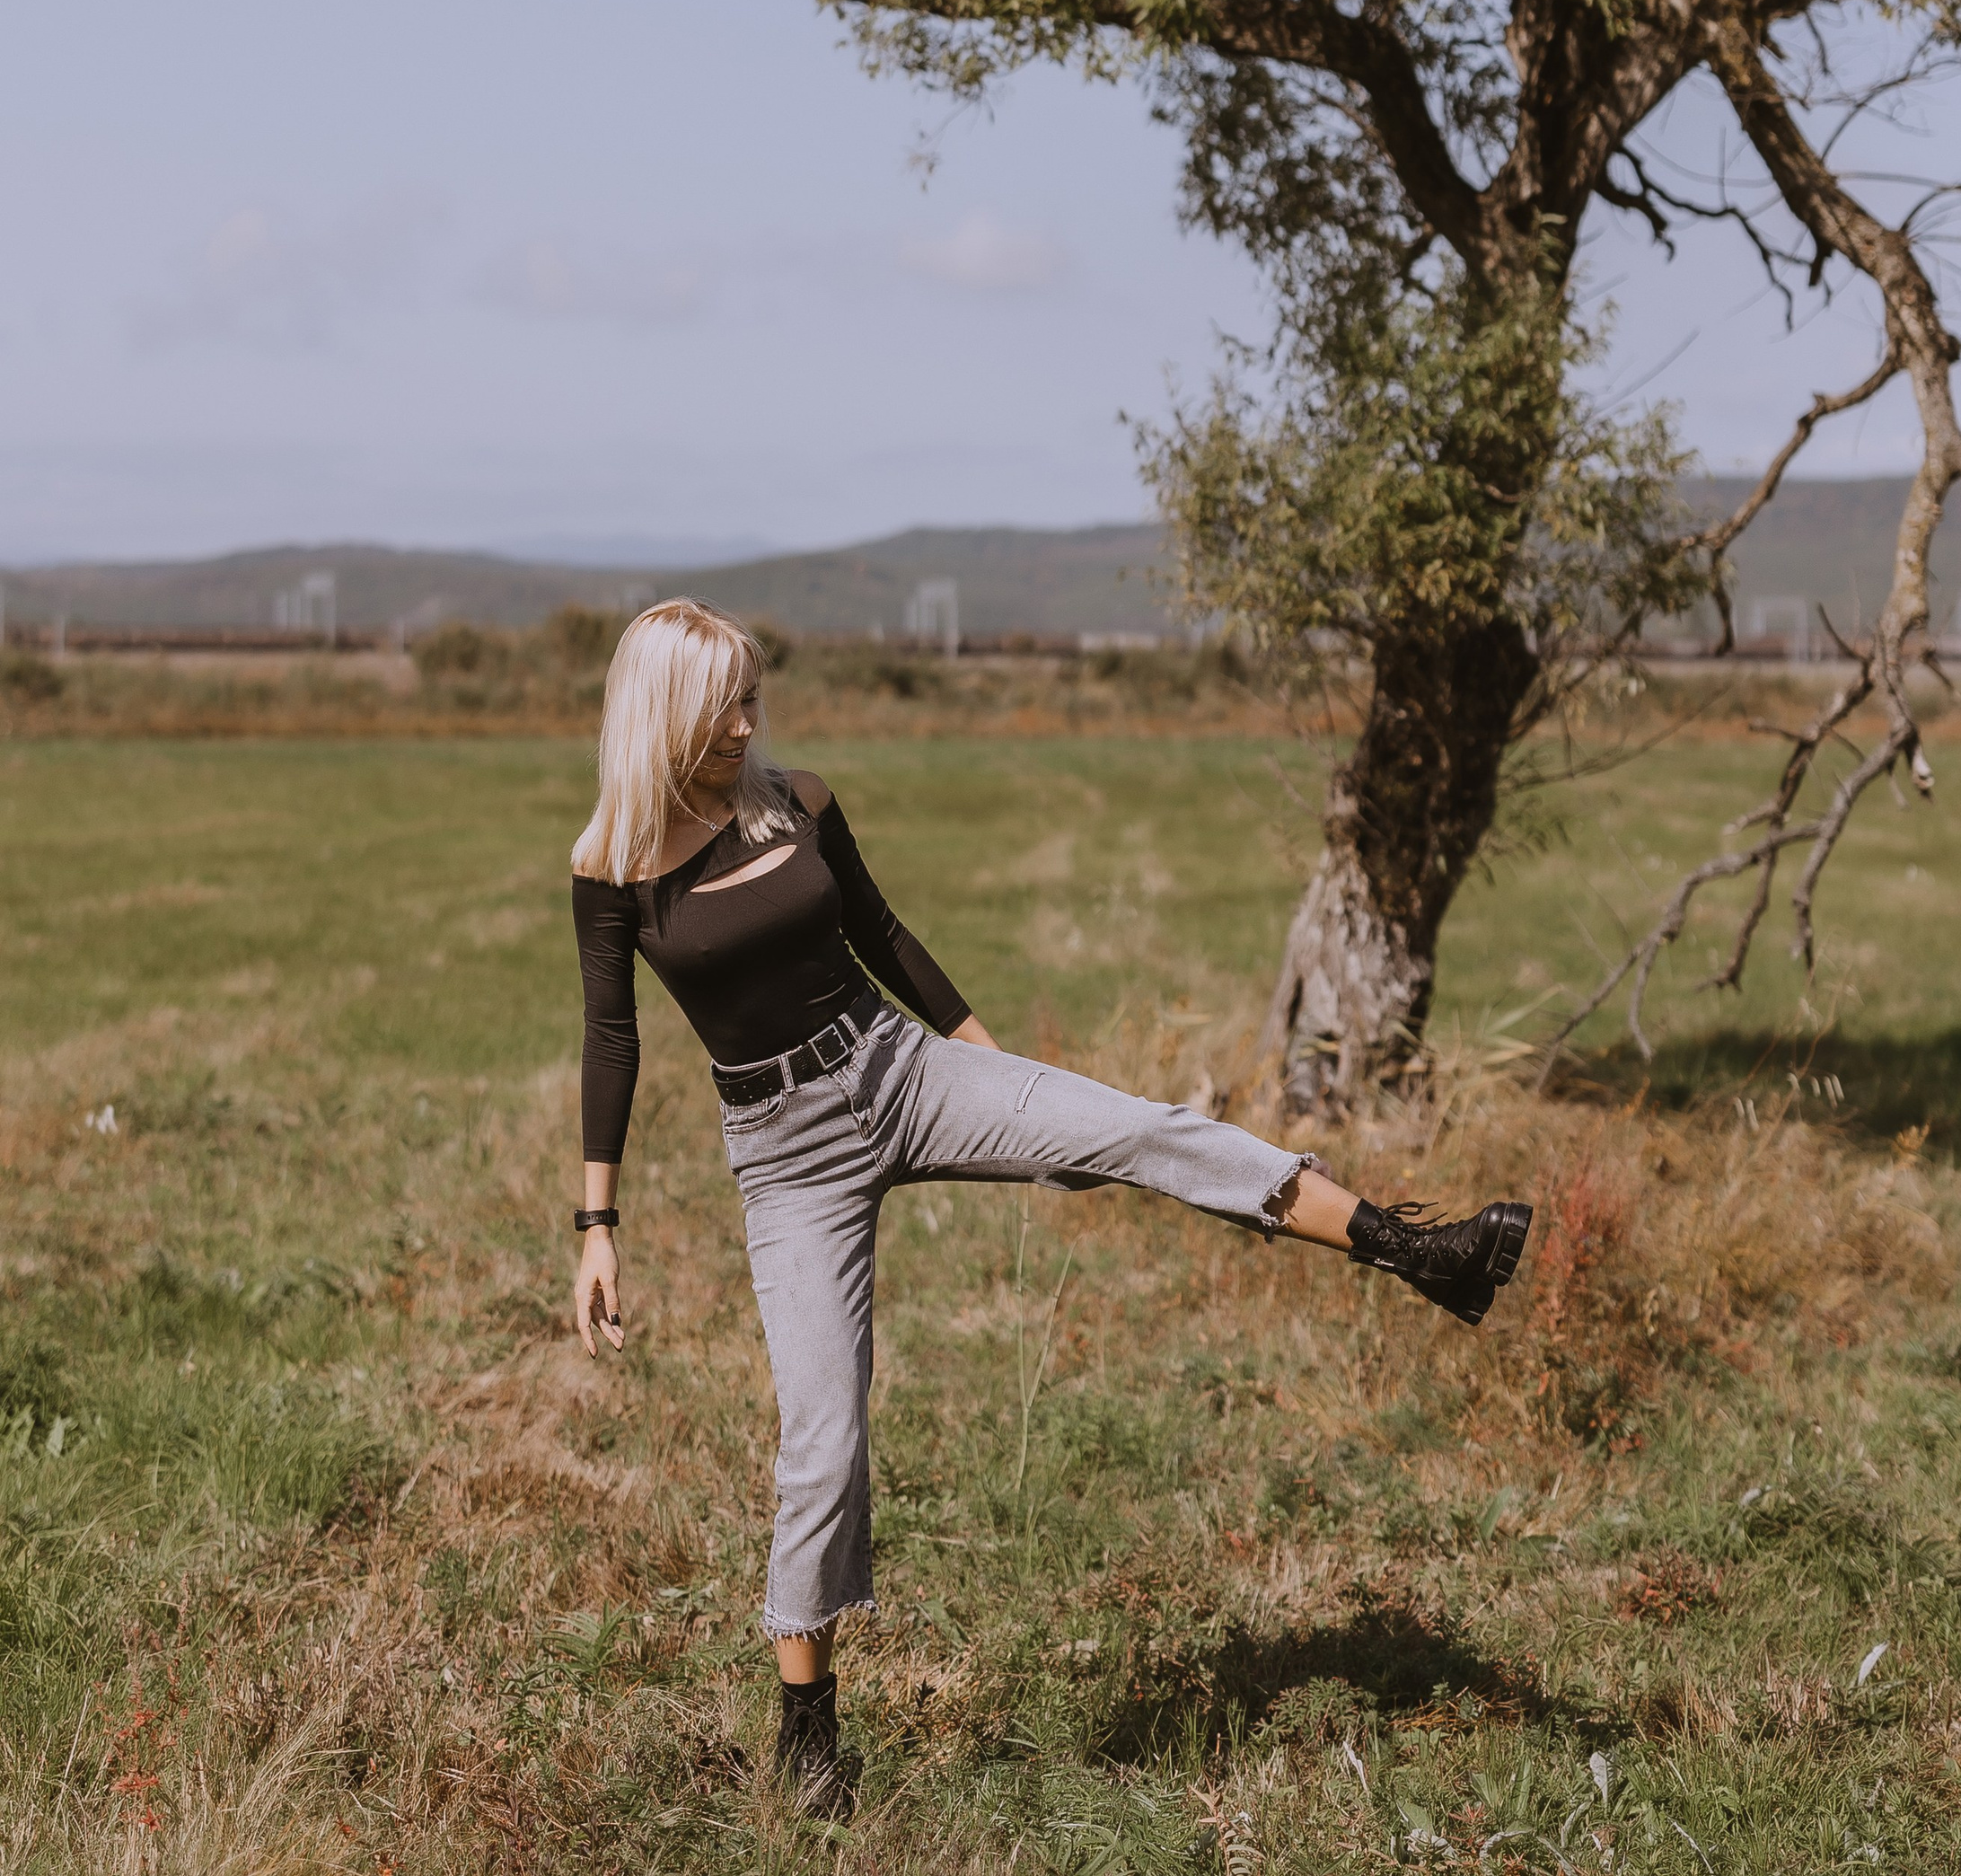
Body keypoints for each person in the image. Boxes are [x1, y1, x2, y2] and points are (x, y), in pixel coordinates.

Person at [569, 598, 1530, 1815]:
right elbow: (612, 1037)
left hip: (901, 1068)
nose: (752, 722)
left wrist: (1001, 1073)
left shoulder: (799, 800)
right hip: (785, 1151)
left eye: (755, 696)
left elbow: (883, 935)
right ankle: (808, 1736)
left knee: (1137, 1126)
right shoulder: (612, 868)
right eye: (727, 708)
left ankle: (1416, 1247)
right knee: (824, 1437)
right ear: (667, 713)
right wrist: (597, 1227)